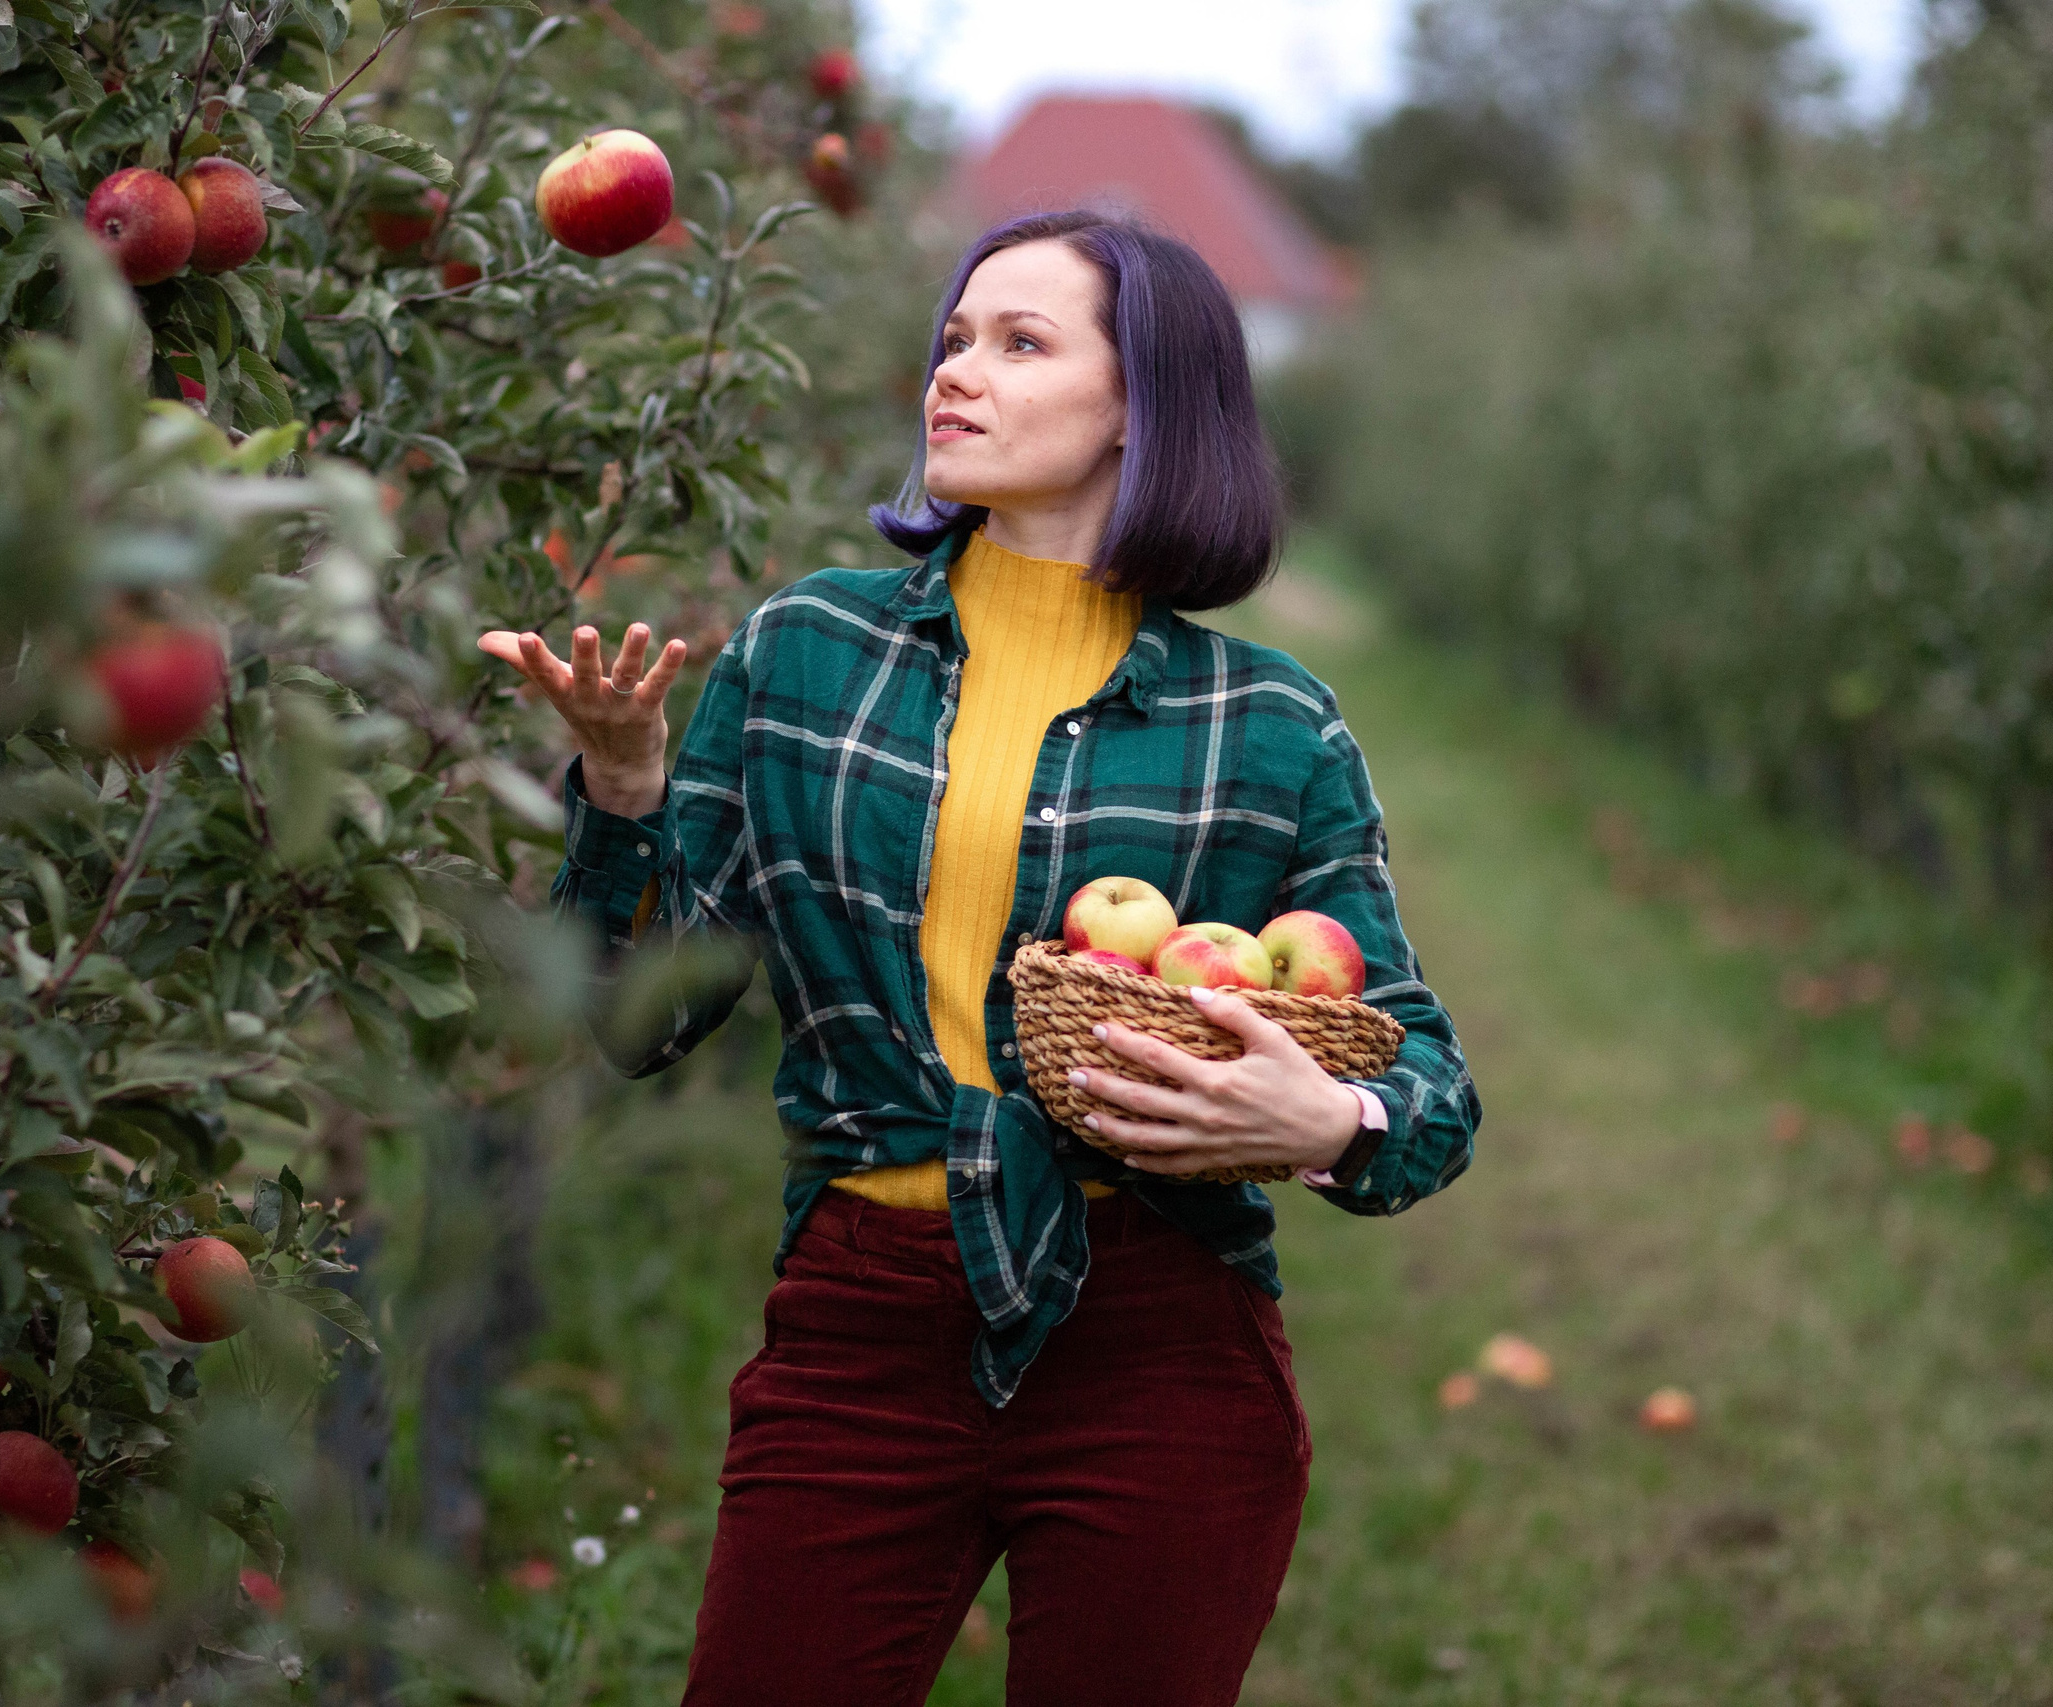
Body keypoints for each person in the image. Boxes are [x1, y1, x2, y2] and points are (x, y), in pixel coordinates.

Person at [479, 210, 1478, 1707]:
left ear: (1142, 402)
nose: (956, 372)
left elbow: (1432, 1091)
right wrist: (623, 792)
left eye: (1020, 344)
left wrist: (1331, 1124)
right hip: (862, 1327)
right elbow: (636, 1022)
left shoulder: (1267, 729)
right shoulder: (802, 654)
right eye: (955, 338)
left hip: (1159, 1332)